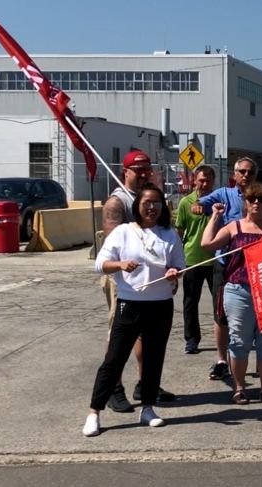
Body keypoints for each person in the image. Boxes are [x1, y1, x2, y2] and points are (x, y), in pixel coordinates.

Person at [83, 185, 184, 436]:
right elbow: (100, 264)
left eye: (157, 203)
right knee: (114, 359)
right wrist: (120, 264)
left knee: (153, 357)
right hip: (130, 303)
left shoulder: (169, 234)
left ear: (163, 207)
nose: (152, 207)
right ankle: (94, 412)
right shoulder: (123, 232)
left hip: (160, 305)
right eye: (146, 202)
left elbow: (178, 268)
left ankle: (148, 408)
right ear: (137, 205)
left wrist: (173, 274)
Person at [99, 149, 175, 411]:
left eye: (146, 171)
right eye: (137, 171)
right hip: (124, 279)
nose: (143, 175)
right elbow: (111, 246)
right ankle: (113, 388)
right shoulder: (117, 202)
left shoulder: (150, 197)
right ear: (126, 172)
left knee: (148, 336)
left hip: (152, 281)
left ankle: (146, 384)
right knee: (119, 336)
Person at [199, 183, 262, 405]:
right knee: (239, 341)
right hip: (239, 290)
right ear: (245, 203)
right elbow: (206, 244)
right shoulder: (234, 227)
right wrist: (215, 217)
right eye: (251, 199)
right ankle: (239, 388)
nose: (256, 203)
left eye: (261, 199)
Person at [192, 157, 258, 381]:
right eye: (242, 171)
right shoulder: (223, 194)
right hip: (226, 265)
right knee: (221, 315)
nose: (246, 175)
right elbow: (201, 201)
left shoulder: (259, 197)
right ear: (235, 174)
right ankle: (222, 360)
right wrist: (201, 206)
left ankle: (254, 361)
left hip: (254, 266)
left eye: (250, 172)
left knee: (256, 315)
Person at [174, 165, 216, 354]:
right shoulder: (185, 203)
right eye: (201, 180)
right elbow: (180, 232)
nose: (204, 183)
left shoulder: (219, 201)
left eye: (208, 180)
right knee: (190, 301)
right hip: (193, 259)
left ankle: (225, 336)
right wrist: (176, 258)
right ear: (194, 181)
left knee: (221, 302)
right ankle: (192, 339)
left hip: (217, 259)